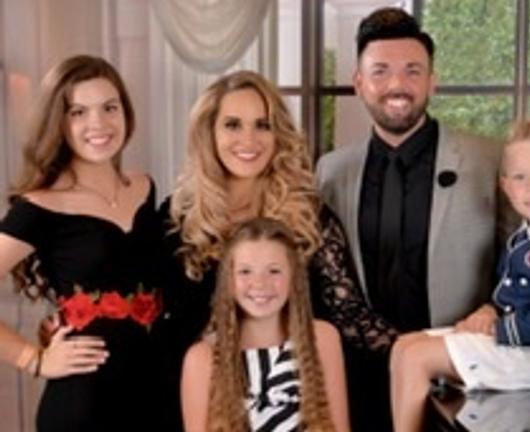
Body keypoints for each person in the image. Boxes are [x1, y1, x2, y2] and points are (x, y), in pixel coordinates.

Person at [153, 70, 397, 431]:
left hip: (300, 391)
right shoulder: (177, 219)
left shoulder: (308, 214)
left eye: (262, 125)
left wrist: (421, 350)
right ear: (209, 133)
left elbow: (351, 316)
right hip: (201, 398)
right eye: (232, 125)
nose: (249, 139)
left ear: (278, 133)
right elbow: (153, 313)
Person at [316, 7, 516, 429]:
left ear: (432, 81)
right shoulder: (330, 172)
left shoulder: (490, 159)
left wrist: (497, 311)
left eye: (412, 71)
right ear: (359, 82)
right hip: (361, 385)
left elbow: (526, 259)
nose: (397, 85)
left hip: (464, 387)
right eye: (381, 71)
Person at [389, 118, 530, 432]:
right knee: (404, 346)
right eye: (520, 176)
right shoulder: (525, 235)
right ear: (505, 185)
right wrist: (489, 310)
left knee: (416, 357)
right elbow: (510, 295)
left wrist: (494, 328)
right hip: (519, 345)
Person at [0, 55, 162, 431]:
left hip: (156, 393)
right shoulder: (39, 207)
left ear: (126, 113)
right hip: (84, 406)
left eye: (109, 107)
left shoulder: (145, 188)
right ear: (59, 122)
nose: (98, 123)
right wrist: (33, 359)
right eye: (78, 112)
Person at [181, 217, 350, 431]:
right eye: (245, 271)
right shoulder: (202, 358)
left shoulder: (322, 337)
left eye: (274, 271)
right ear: (228, 281)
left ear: (293, 278)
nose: (260, 283)